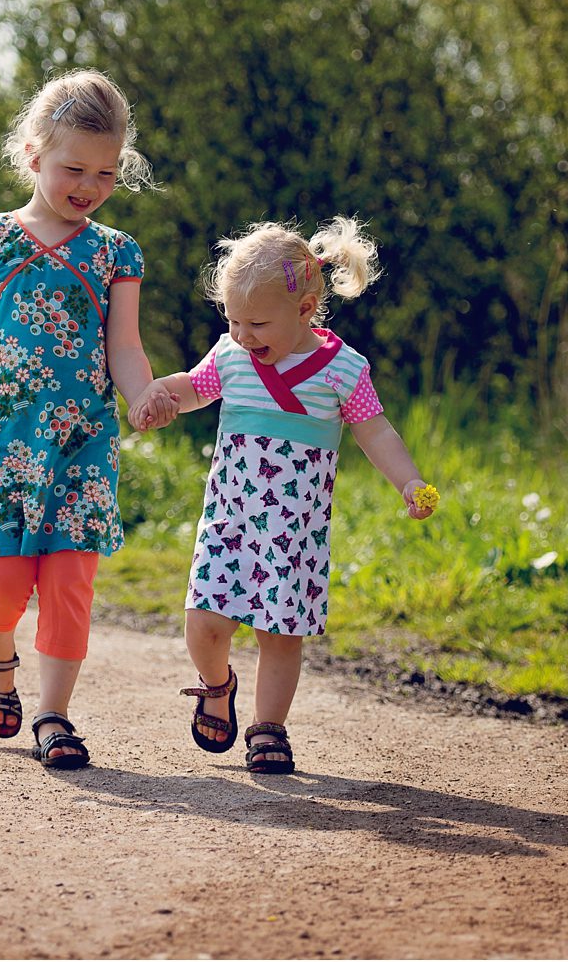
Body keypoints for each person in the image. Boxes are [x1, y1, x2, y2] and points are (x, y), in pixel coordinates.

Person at [0, 69, 169, 770]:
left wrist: (142, 395)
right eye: (73, 168)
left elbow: (123, 344)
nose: (88, 185)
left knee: (68, 585)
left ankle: (55, 714)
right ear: (32, 155)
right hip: (8, 446)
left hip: (84, 446)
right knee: (1, 589)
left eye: (106, 172)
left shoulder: (116, 251)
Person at [128, 217, 436, 774]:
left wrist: (409, 481)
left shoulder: (343, 370)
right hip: (229, 521)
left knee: (280, 632)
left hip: (293, 534)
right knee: (204, 622)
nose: (244, 334)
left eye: (257, 323)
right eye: (234, 320)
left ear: (305, 309)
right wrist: (159, 393)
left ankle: (268, 728)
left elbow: (376, 431)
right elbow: (192, 389)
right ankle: (215, 685)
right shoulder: (229, 357)